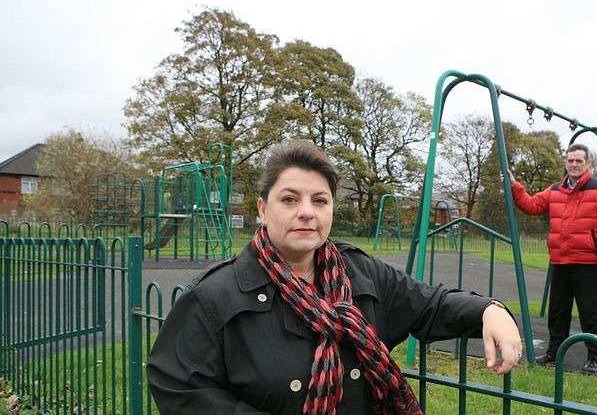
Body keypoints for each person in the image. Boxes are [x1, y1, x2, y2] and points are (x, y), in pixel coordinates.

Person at [147, 138, 522, 414]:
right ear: (263, 208)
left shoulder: (360, 272)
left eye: (320, 200)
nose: (306, 212)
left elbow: (430, 305)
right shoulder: (216, 296)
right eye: (290, 199)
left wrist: (489, 309)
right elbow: (179, 388)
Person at [506, 143, 597, 375]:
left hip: (588, 261)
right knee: (558, 310)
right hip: (561, 260)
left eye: (579, 161)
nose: (574, 164)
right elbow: (532, 205)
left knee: (590, 312)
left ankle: (596, 356)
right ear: (565, 163)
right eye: (570, 160)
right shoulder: (556, 190)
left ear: (588, 163)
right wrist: (514, 185)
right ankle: (555, 351)